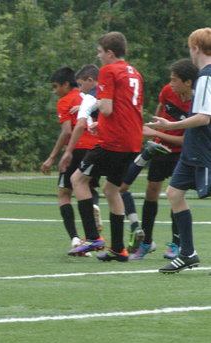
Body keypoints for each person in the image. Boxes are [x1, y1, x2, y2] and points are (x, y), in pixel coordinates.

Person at [68, 31, 144, 262]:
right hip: (132, 141)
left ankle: (93, 237)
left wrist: (93, 104)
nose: (98, 56)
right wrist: (101, 125)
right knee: (111, 189)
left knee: (77, 180)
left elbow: (108, 108)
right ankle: (118, 249)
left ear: (110, 53)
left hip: (114, 142)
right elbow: (130, 110)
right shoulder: (134, 73)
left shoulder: (109, 71)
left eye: (100, 52)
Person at [147, 28, 211, 274]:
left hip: (203, 147)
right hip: (193, 147)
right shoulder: (203, 76)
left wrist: (170, 125)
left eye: (190, 47)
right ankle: (187, 253)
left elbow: (204, 117)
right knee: (174, 193)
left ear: (196, 47)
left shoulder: (206, 76)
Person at [122, 59, 198, 260]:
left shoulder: (197, 103)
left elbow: (185, 140)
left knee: (176, 195)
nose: (170, 84)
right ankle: (146, 242)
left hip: (181, 153)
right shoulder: (167, 91)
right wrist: (154, 129)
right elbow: (160, 110)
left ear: (188, 82)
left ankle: (176, 243)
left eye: (174, 80)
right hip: (159, 149)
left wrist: (157, 134)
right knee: (151, 191)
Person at [41, 66, 100, 253]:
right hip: (96, 147)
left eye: (56, 86)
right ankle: (94, 206)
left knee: (64, 193)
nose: (55, 91)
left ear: (66, 84)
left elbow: (67, 131)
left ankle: (75, 238)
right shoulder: (87, 96)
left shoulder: (65, 101)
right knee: (88, 187)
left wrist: (52, 157)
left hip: (77, 148)